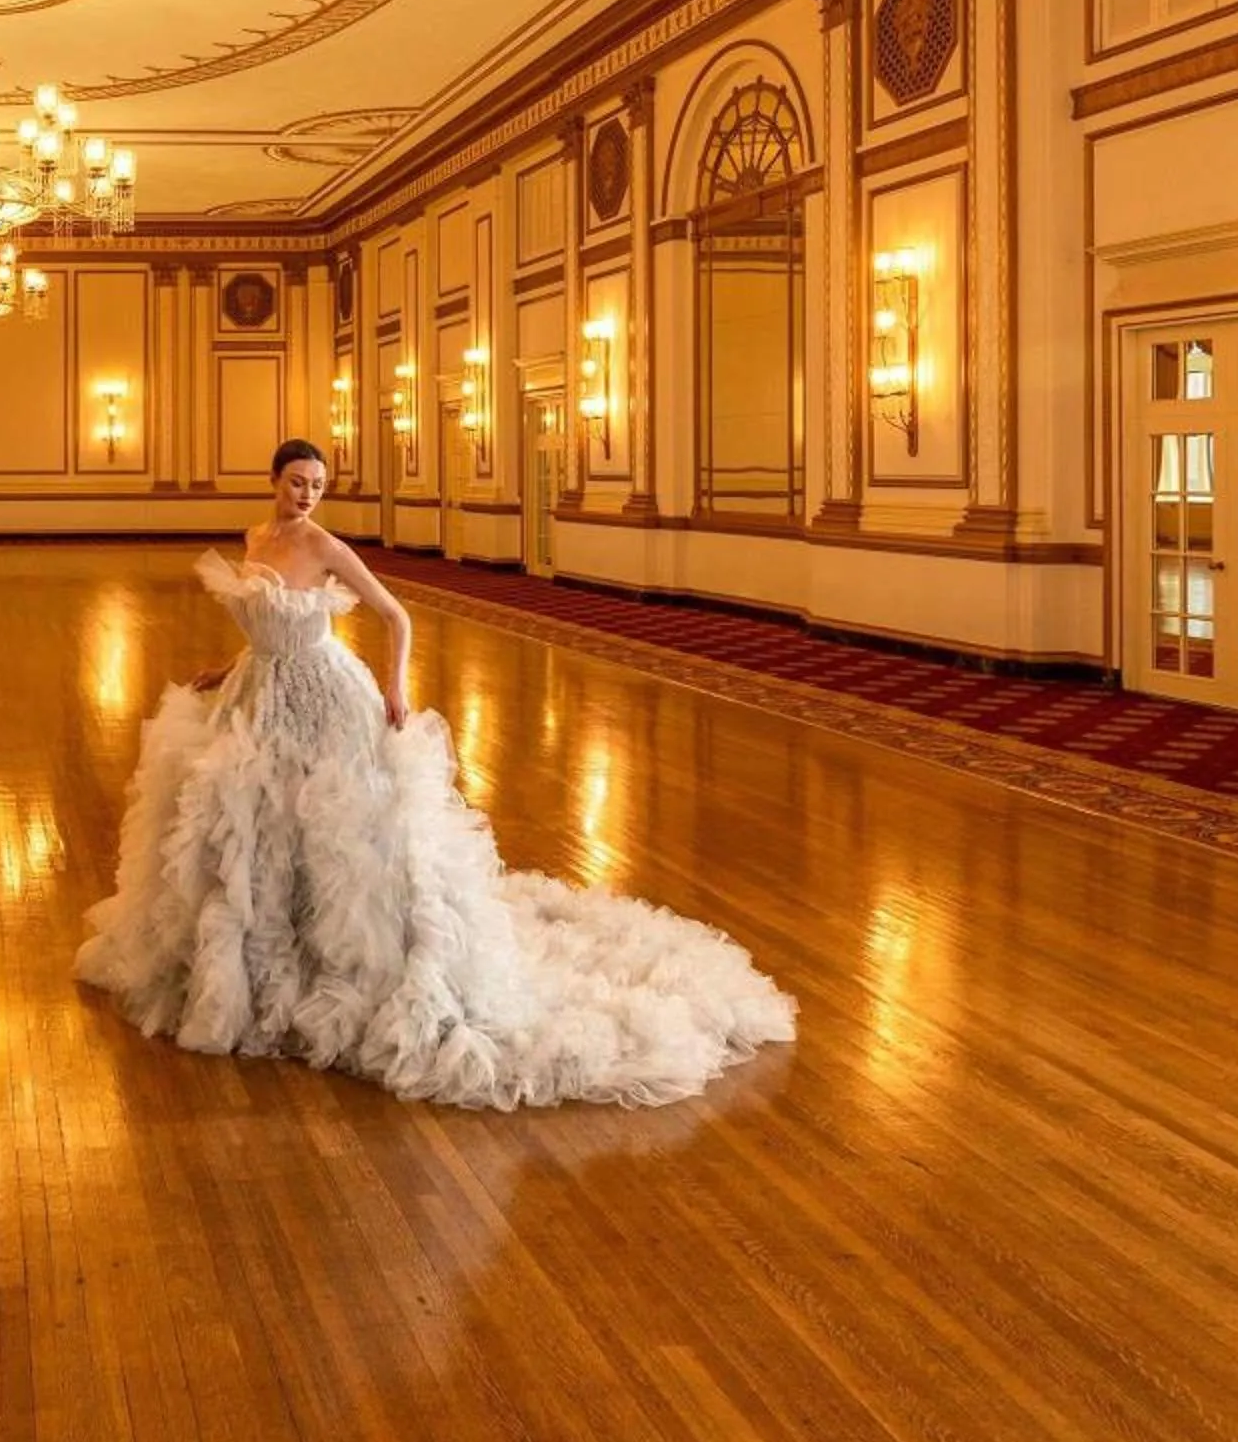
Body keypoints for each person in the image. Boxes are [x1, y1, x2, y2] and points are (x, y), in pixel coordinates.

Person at [75, 437, 795, 1109]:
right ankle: (261, 958)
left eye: (318, 486)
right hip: (258, 694)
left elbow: (395, 617)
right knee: (252, 827)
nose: (306, 496)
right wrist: (227, 667)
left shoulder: (327, 546)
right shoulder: (256, 540)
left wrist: (394, 689)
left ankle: (343, 959)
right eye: (297, 483)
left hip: (328, 697)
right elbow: (271, 629)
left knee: (341, 831)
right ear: (273, 481)